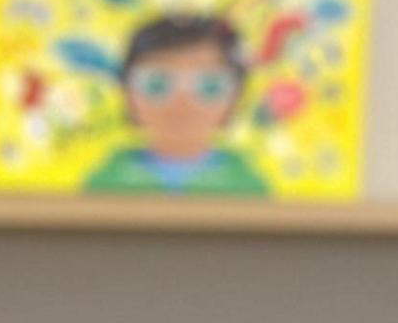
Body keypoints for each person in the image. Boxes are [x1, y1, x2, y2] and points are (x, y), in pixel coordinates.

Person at [79, 14, 273, 196]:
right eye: (157, 84)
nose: (182, 100)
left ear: (236, 98)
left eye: (209, 85)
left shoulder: (245, 181)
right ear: (127, 93)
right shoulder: (110, 177)